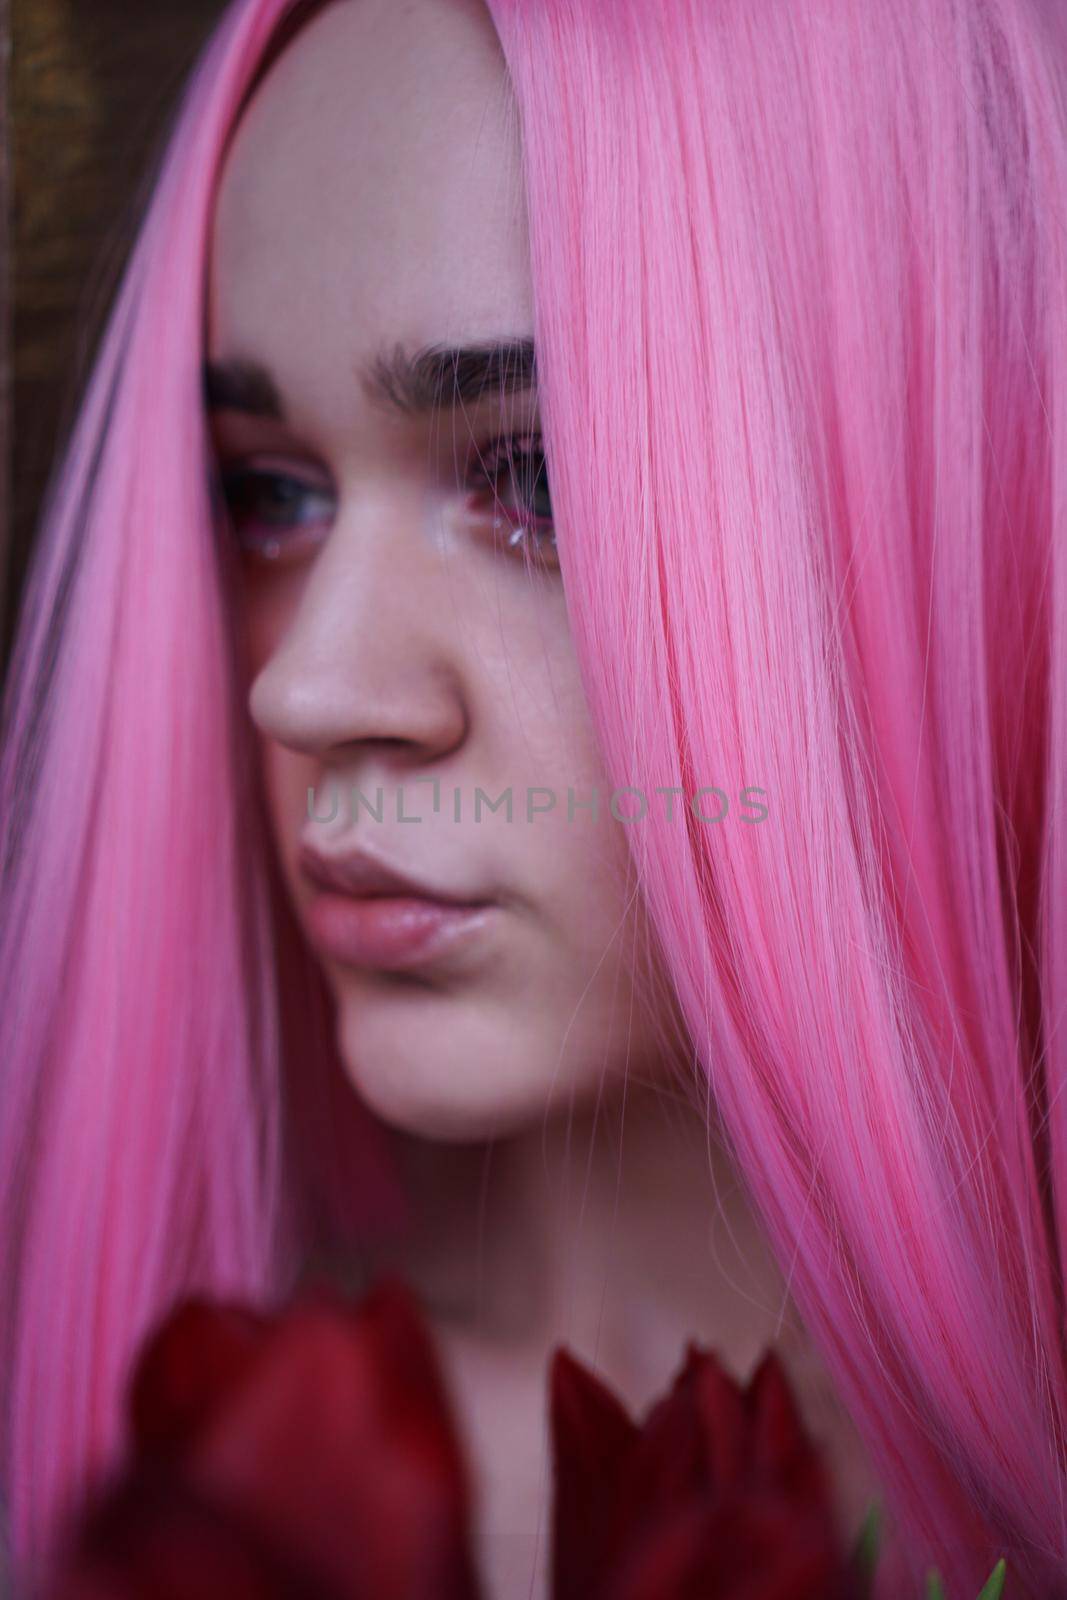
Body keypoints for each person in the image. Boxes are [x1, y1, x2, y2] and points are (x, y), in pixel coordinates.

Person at [1, 0, 1065, 1594]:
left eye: (537, 473)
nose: (307, 690)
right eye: (267, 492)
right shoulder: (136, 1470)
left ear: (945, 499)